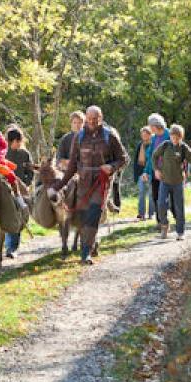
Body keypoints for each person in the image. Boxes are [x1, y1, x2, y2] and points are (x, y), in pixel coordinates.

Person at [53, 105, 129, 264]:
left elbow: (123, 159)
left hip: (101, 183)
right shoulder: (78, 137)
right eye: (89, 119)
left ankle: (85, 253)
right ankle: (91, 245)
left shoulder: (110, 136)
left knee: (94, 214)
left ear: (100, 118)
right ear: (86, 119)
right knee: (84, 217)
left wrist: (112, 167)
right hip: (83, 182)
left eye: (96, 119)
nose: (92, 122)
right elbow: (72, 165)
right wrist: (59, 185)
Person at [152, 124, 191, 241]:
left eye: (177, 137)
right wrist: (156, 170)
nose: (174, 139)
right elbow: (154, 156)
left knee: (178, 207)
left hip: (178, 182)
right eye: (173, 136)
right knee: (161, 204)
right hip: (165, 181)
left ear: (181, 137)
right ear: (170, 136)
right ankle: (164, 226)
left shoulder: (184, 148)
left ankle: (180, 232)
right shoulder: (165, 145)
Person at [3, 125, 33, 258]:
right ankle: (9, 246)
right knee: (8, 217)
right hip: (5, 190)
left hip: (21, 191)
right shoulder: (3, 154)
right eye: (16, 141)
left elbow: (30, 171)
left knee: (19, 217)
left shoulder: (25, 154)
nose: (19, 144)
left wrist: (25, 183)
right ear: (10, 141)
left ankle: (13, 247)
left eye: (20, 141)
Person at [142, 113, 172, 227]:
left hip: (168, 173)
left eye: (150, 126)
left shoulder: (169, 134)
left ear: (156, 125)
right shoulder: (153, 139)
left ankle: (169, 219)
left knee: (166, 199)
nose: (150, 128)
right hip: (156, 173)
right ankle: (160, 222)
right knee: (156, 197)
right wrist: (146, 171)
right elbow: (150, 157)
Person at [134, 126, 155, 219]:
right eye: (142, 134)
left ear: (150, 135)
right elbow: (136, 161)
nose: (144, 136)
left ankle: (151, 214)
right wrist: (137, 175)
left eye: (146, 134)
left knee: (151, 194)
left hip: (151, 172)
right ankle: (141, 213)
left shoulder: (154, 144)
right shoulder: (140, 145)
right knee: (141, 193)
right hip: (141, 174)